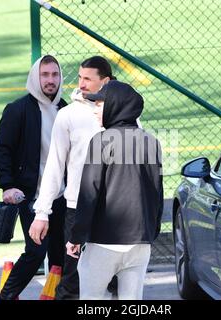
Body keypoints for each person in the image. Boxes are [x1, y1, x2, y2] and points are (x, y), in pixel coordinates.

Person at [66, 80, 164, 300]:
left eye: (99, 104)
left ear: (114, 106)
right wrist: (150, 232)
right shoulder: (151, 141)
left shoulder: (101, 141)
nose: (95, 110)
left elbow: (89, 193)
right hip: (140, 241)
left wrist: (76, 236)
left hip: (104, 241)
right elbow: (157, 194)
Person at [30, 56, 114, 299]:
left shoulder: (126, 113)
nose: (81, 83)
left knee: (115, 280)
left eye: (88, 78)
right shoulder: (67, 115)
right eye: (79, 77)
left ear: (105, 81)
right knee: (73, 280)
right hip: (77, 210)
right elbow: (54, 166)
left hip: (114, 210)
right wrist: (42, 213)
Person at [0, 55, 67, 300]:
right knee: (35, 252)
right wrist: (8, 185)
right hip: (30, 196)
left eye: (54, 75)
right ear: (36, 77)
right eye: (45, 75)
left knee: (60, 255)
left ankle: (55, 296)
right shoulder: (18, 110)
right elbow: (2, 150)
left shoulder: (66, 110)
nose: (50, 80)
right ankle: (4, 297)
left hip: (62, 196)